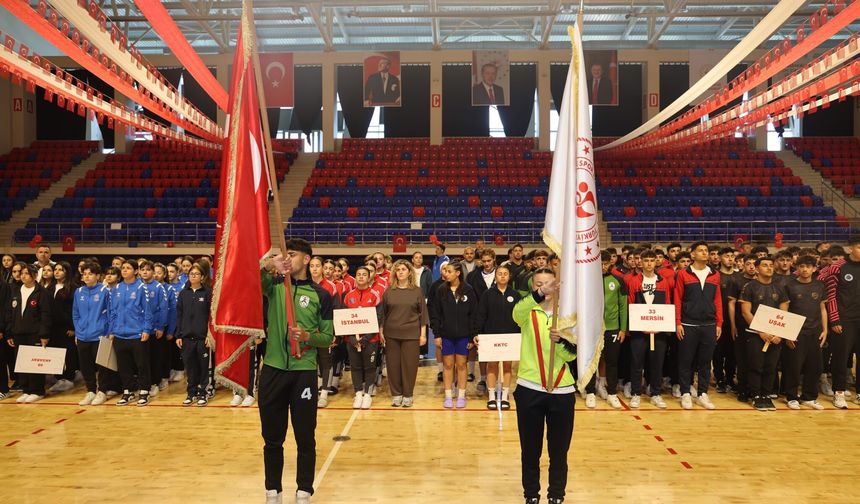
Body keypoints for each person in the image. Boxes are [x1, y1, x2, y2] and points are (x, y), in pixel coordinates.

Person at [259, 239, 334, 504]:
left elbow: (327, 337)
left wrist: (306, 336)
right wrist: (269, 264)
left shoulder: (321, 295)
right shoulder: (275, 287)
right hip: (273, 370)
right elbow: (252, 278)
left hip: (303, 372)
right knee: (272, 437)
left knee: (305, 436)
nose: (286, 258)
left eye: (291, 254)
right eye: (283, 254)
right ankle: (272, 491)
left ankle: (304, 490)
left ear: (306, 259)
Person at [512, 267, 575, 504]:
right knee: (530, 450)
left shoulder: (568, 316)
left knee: (559, 451)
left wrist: (560, 342)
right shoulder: (528, 311)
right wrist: (538, 296)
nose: (545, 287)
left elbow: (571, 357)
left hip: (562, 390)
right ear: (533, 287)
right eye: (539, 284)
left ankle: (556, 495)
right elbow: (516, 313)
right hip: (530, 389)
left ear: (558, 285)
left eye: (549, 283)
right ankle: (531, 495)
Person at [674, 241, 722, 410]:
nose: (704, 253)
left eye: (706, 250)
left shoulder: (714, 274)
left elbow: (717, 300)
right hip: (688, 323)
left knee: (705, 361)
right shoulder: (682, 274)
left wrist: (719, 323)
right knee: (686, 361)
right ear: (692, 254)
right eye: (700, 250)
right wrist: (678, 322)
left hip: (709, 324)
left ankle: (702, 393)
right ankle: (685, 393)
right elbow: (678, 299)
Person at [740, 256, 789, 412]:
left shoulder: (780, 288)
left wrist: (778, 333)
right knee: (756, 365)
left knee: (771, 366)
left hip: (774, 336)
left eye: (771, 265)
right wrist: (761, 330)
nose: (769, 268)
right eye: (765, 265)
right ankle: (755, 395)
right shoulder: (749, 287)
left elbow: (783, 313)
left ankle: (766, 395)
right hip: (755, 334)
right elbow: (746, 312)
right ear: (757, 268)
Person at [625, 250, 672, 409]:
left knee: (657, 363)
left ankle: (656, 394)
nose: (649, 263)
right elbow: (630, 305)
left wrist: (661, 326)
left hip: (658, 332)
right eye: (646, 260)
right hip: (639, 331)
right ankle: (636, 393)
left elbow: (666, 305)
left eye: (652, 260)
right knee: (637, 363)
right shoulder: (634, 281)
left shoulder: (663, 281)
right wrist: (637, 326)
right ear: (641, 262)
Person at [817, 236, 860, 409]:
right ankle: (839, 392)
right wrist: (834, 319)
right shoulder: (838, 267)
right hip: (844, 320)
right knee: (841, 358)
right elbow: (830, 295)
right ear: (851, 249)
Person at [782, 255, 827, 410]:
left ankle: (809, 397)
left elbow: (822, 308)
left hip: (815, 332)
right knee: (793, 366)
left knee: (815, 366)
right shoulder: (789, 286)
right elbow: (785, 310)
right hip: (796, 332)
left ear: (814, 269)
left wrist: (825, 330)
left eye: (808, 266)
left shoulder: (820, 286)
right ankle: (791, 397)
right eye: (801, 266)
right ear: (797, 268)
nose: (805, 269)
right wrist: (787, 333)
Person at [380, 261, 428, 407]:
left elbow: (423, 315)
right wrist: (381, 331)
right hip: (391, 333)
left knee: (409, 366)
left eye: (403, 269)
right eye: (398, 270)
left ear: (409, 272)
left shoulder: (417, 291)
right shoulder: (389, 291)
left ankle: (408, 394)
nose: (400, 272)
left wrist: (423, 335)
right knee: (393, 366)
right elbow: (383, 314)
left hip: (411, 334)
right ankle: (396, 394)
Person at [430, 260, 477, 409]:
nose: (446, 274)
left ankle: (462, 395)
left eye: (449, 271)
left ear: (458, 273)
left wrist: (471, 336)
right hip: (446, 335)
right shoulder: (441, 290)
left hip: (463, 335)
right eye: (445, 271)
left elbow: (473, 315)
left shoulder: (468, 290)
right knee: (448, 365)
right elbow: (435, 314)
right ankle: (449, 395)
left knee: (462, 365)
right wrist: (437, 334)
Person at [108, 260, 154, 407]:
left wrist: (146, 329)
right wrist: (112, 330)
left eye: (128, 268)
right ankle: (128, 391)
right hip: (120, 334)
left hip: (137, 333)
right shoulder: (117, 288)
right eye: (123, 268)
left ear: (135, 271)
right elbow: (112, 311)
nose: (124, 270)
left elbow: (148, 310)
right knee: (124, 365)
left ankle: (144, 390)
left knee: (142, 364)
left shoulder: (142, 287)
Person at [72, 262, 119, 406]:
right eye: (84, 274)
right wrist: (78, 331)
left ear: (98, 276)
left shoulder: (105, 291)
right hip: (82, 335)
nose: (86, 276)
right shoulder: (78, 292)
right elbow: (75, 313)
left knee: (102, 366)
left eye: (90, 274)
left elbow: (111, 313)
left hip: (100, 335)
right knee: (85, 365)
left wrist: (109, 331)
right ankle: (90, 390)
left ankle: (102, 391)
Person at [475, 264, 520, 409]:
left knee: (507, 366)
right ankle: (492, 396)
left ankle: (505, 395)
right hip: (490, 335)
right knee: (492, 366)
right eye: (499, 273)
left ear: (509, 276)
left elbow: (520, 316)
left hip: (510, 336)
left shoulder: (515, 295)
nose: (502, 276)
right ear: (495, 276)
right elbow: (481, 315)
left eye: (505, 274)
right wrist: (477, 333)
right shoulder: (487, 294)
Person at [7, 263, 52, 403]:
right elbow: (10, 313)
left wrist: (44, 334)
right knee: (22, 363)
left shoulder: (41, 292)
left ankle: (37, 390)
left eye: (26, 273)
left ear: (34, 276)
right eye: (22, 273)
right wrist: (10, 333)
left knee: (34, 363)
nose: (23, 276)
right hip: (18, 332)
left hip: (35, 333)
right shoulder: (15, 291)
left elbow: (46, 314)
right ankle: (26, 389)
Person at [342, 266, 383, 410]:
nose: (361, 277)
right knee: (356, 367)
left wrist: (367, 337)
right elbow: (344, 319)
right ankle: (358, 393)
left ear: (369, 277)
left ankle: (367, 395)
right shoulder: (348, 296)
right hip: (352, 340)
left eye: (364, 274)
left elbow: (378, 318)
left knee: (370, 367)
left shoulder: (375, 295)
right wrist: (351, 337)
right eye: (358, 274)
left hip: (371, 340)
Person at [175, 263, 212, 407]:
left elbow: (211, 316)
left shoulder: (207, 293)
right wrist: (178, 335)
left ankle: (203, 393)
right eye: (191, 274)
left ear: (202, 277)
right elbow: (179, 315)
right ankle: (191, 393)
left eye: (196, 274)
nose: (193, 276)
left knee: (203, 368)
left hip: (202, 338)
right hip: (186, 338)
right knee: (190, 368)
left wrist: (210, 335)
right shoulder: (184, 293)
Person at [139, 260, 169, 398]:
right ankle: (143, 383)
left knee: (155, 357)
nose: (145, 272)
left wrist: (160, 326)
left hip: (155, 329)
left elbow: (163, 308)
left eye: (148, 270)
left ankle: (155, 383)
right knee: (143, 359)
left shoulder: (158, 287)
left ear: (152, 272)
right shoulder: (137, 287)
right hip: (140, 330)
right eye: (142, 269)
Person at [48, 262, 78, 395]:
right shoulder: (49, 287)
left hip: (67, 327)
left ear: (67, 272)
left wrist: (74, 327)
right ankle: (58, 377)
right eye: (56, 269)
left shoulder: (73, 288)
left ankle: (69, 377)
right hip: (52, 327)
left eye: (61, 270)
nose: (57, 272)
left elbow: (75, 309)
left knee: (69, 353)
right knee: (55, 352)